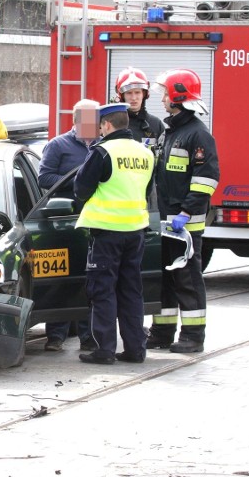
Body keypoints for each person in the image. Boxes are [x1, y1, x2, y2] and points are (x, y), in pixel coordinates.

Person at [73, 102, 155, 365]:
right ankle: (135, 349)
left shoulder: (103, 152)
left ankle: (104, 350)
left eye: (100, 125)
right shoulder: (145, 153)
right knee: (132, 291)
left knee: (103, 291)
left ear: (107, 125)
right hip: (136, 231)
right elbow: (147, 189)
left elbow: (81, 189)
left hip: (107, 232)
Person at [146, 69, 220, 353]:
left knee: (187, 279)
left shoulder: (198, 135)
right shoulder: (170, 133)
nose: (162, 99)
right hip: (164, 221)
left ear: (178, 97)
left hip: (184, 225)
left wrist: (187, 213)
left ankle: (193, 336)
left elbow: (207, 178)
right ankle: (162, 332)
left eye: (165, 94)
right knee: (164, 278)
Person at [38, 98, 100, 352]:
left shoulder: (103, 147)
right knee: (62, 277)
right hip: (64, 220)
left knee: (90, 279)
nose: (91, 126)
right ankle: (56, 335)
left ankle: (88, 336)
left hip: (96, 220)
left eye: (95, 121)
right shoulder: (58, 145)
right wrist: (78, 180)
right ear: (74, 120)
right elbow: (44, 177)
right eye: (86, 120)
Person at [114, 67, 164, 147]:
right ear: (122, 96)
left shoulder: (155, 124)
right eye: (129, 93)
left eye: (137, 92)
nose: (133, 98)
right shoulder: (112, 124)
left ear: (144, 94)